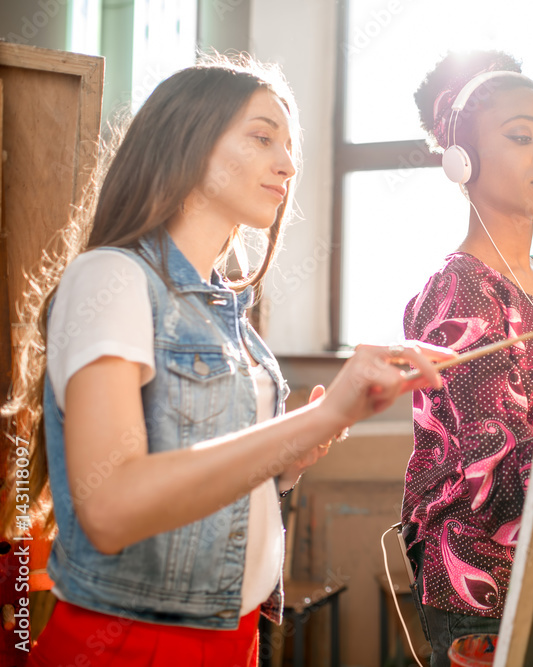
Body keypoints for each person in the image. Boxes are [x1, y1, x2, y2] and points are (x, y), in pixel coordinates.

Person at [1, 56, 451, 666]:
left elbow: (212, 470)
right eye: (263, 137)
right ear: (183, 141)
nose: (288, 165)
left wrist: (291, 455)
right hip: (135, 645)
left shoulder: (227, 308)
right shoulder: (111, 278)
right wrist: (318, 418)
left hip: (236, 639)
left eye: (289, 147)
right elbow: (109, 507)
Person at [400, 51, 533, 665]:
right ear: (461, 161)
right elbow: (493, 470)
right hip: (481, 585)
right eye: (522, 138)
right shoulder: (461, 291)